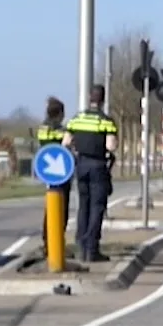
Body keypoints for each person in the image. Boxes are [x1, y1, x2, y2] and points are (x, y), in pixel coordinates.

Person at [62, 84, 119, 263]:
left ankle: (80, 245)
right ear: (103, 100)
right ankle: (92, 248)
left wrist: (77, 149)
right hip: (98, 166)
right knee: (97, 206)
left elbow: (65, 142)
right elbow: (111, 146)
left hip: (81, 165)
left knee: (83, 205)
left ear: (89, 98)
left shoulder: (76, 119)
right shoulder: (106, 122)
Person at [34, 97, 70, 257]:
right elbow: (67, 145)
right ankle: (55, 242)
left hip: (48, 172)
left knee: (50, 207)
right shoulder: (61, 130)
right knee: (61, 209)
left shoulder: (42, 128)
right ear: (60, 113)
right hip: (61, 172)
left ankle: (47, 241)